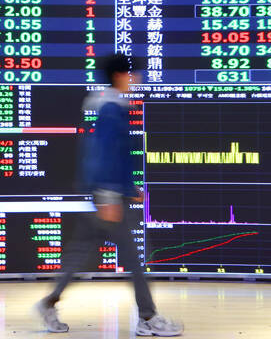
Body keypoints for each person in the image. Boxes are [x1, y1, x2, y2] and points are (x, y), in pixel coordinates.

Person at [35, 54, 183, 337]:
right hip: (109, 201)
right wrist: (109, 196)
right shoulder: (111, 109)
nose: (136, 79)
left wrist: (128, 188)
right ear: (119, 76)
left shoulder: (105, 105)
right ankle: (148, 318)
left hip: (106, 196)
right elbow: (104, 155)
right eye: (132, 74)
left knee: (79, 255)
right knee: (135, 260)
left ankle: (48, 302)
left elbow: (112, 156)